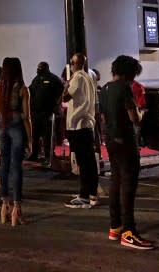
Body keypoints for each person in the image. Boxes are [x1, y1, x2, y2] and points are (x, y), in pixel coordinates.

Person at [100, 55, 155, 250]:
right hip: (125, 141)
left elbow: (103, 117)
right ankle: (129, 232)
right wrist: (142, 113)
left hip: (110, 140)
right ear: (128, 73)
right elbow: (134, 117)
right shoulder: (124, 87)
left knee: (115, 182)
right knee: (128, 185)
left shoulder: (104, 89)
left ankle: (115, 227)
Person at [0, 57, 31, 226]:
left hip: (1, 127)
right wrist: (30, 139)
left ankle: (4, 206)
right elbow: (27, 117)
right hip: (17, 128)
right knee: (17, 167)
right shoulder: (23, 89)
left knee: (4, 166)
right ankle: (17, 209)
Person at [63, 53, 99, 209]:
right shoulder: (89, 77)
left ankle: (84, 196)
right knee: (89, 162)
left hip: (78, 124)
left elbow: (65, 97)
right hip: (88, 122)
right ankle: (91, 193)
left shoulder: (77, 78)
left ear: (74, 64)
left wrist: (67, 83)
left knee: (83, 163)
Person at [28, 61, 64, 163]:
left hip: (47, 112)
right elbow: (30, 90)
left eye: (40, 68)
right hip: (36, 112)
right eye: (38, 67)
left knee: (47, 135)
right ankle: (34, 154)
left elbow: (61, 92)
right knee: (34, 134)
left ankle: (48, 155)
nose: (38, 69)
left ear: (46, 68)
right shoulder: (36, 79)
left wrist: (56, 106)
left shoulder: (54, 79)